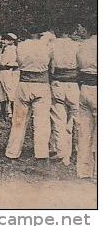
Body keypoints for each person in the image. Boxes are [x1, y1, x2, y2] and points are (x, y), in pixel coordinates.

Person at [5, 32, 53, 160]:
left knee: (19, 120)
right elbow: (51, 67)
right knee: (42, 120)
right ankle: (41, 153)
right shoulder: (47, 46)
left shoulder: (21, 45)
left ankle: (12, 152)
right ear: (41, 34)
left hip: (24, 83)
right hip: (41, 84)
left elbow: (19, 62)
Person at [49, 29, 80, 166]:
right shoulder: (77, 45)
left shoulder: (52, 45)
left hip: (57, 83)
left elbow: (49, 66)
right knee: (78, 119)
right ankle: (79, 149)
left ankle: (62, 153)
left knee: (58, 120)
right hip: (73, 84)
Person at [75, 29, 96, 179]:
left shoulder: (83, 45)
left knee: (84, 132)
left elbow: (78, 67)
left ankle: (83, 170)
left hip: (84, 88)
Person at [0, 33, 20, 122]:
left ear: (11, 41)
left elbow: (3, 62)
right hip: (1, 71)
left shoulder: (11, 49)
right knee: (1, 93)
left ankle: (12, 114)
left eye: (5, 40)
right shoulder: (4, 49)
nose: (3, 41)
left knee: (10, 92)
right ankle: (3, 114)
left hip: (7, 71)